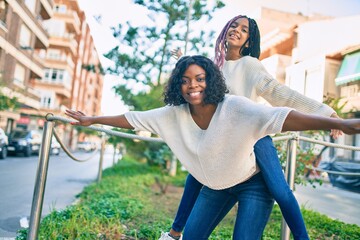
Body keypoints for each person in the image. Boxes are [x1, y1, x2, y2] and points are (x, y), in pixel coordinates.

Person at [65, 55, 360, 240]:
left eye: (199, 78)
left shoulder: (234, 107)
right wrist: (93, 119)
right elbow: (132, 118)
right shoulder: (173, 114)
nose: (192, 85)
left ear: (210, 80)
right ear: (178, 86)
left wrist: (344, 125)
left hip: (252, 185)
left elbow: (282, 117)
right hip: (213, 187)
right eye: (185, 80)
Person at [161, 15, 342, 240]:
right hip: (219, 143)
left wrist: (326, 114)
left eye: (244, 30)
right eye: (234, 25)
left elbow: (281, 94)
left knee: (280, 191)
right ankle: (174, 233)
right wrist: (182, 60)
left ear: (248, 40)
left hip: (253, 138)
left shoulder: (250, 65)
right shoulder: (213, 66)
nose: (236, 30)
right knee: (196, 173)